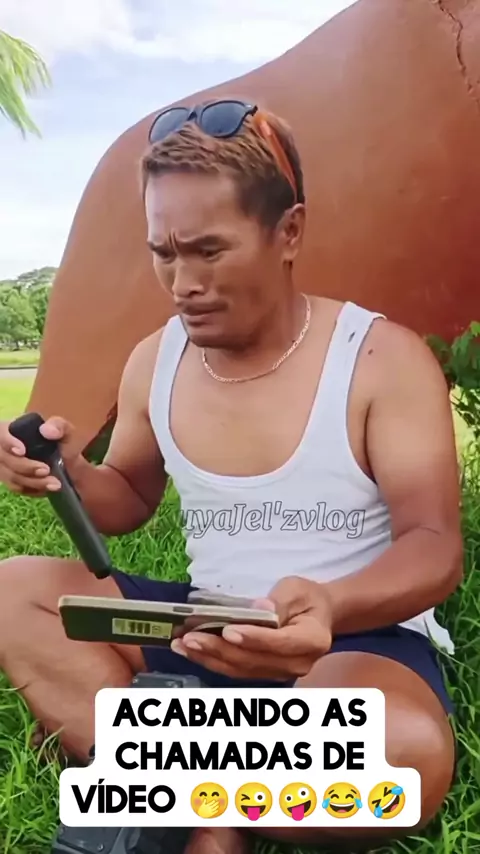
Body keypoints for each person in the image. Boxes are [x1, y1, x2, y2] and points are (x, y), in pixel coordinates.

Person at [0, 99, 463, 854]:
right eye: (164, 253)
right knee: (11, 592)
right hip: (201, 631)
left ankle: (156, 776)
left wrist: (329, 604)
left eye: (209, 251)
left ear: (289, 232)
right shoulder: (156, 359)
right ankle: (222, 790)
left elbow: (434, 545)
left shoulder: (380, 359)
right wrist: (70, 474)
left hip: (348, 643)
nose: (182, 282)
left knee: (402, 755)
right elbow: (128, 497)